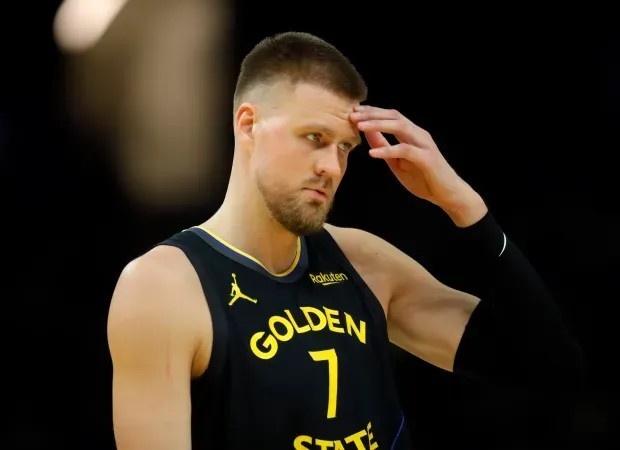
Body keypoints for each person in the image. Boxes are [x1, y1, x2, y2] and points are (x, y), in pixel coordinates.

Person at [106, 31, 584, 450]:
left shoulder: (363, 261)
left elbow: (553, 368)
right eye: (314, 137)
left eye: (345, 148)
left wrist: (464, 206)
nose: (331, 167)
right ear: (248, 124)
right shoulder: (162, 287)